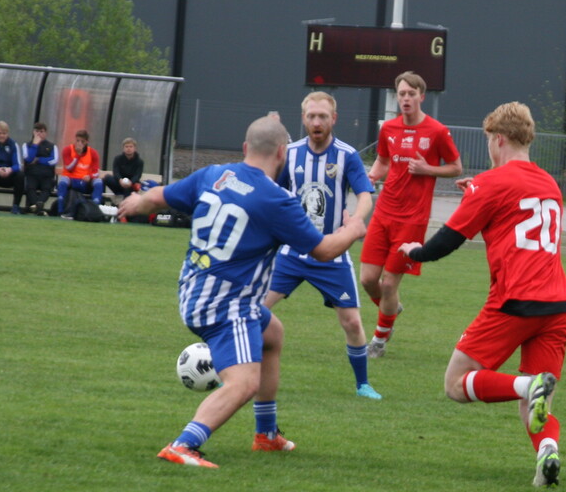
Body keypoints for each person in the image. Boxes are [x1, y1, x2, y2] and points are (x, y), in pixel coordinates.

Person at [116, 116, 368, 468]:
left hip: (196, 288)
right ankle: (184, 444)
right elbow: (324, 251)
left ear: (245, 147)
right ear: (282, 154)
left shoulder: (213, 174)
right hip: (226, 302)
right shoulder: (276, 199)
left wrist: (137, 202)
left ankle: (266, 434)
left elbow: (161, 196)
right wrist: (353, 228)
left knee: (272, 334)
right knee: (244, 382)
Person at [399, 101, 566, 486]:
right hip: (559, 304)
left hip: (516, 300)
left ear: (498, 139)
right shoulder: (549, 183)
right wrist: (476, 191)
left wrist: (416, 251)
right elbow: (513, 209)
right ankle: (547, 453)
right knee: (536, 407)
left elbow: (448, 241)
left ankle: (527, 386)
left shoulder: (491, 183)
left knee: (456, 383)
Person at [263, 92, 381, 400]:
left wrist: (355, 221)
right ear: (303, 118)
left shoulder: (347, 155)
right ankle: (235, 374)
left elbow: (365, 195)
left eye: (323, 116)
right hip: (291, 252)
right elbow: (271, 190)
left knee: (352, 321)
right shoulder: (289, 154)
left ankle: (363, 385)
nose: (317, 122)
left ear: (334, 119)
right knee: (255, 309)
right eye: (312, 116)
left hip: (332, 254)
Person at [360, 71, 462, 358]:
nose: (405, 99)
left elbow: (456, 167)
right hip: (384, 211)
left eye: (411, 94)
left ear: (421, 97)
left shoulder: (437, 131)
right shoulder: (389, 129)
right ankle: (391, 309)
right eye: (401, 94)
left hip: (412, 219)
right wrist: (371, 177)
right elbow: (383, 161)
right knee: (368, 279)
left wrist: (427, 169)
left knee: (389, 283)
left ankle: (379, 341)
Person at [57, 129, 103, 215]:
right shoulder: (68, 150)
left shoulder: (93, 153)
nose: (79, 143)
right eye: (77, 141)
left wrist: (90, 176)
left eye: (82, 141)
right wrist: (77, 155)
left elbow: (96, 172)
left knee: (98, 182)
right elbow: (69, 168)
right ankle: (60, 210)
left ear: (87, 142)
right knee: (63, 181)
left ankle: (95, 208)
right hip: (71, 180)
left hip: (85, 181)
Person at [22, 123, 59, 214]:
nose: (39, 134)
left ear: (46, 133)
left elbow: (54, 160)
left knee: (47, 188)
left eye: (41, 131)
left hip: (46, 174)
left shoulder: (52, 146)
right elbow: (28, 159)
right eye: (37, 131)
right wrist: (35, 145)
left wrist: (39, 160)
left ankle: (37, 205)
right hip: (32, 174)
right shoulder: (27, 145)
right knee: (30, 188)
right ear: (33, 132)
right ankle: (38, 207)